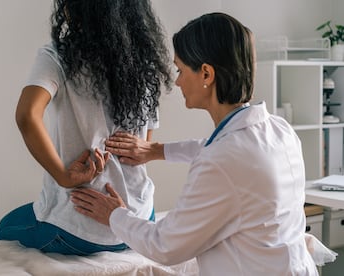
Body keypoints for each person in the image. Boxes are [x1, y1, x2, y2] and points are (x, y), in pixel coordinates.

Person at [70, 12, 320, 275]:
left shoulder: (223, 159)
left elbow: (164, 246)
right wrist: (156, 151)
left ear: (206, 74)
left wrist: (115, 214)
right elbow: (217, 147)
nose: (177, 81)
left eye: (180, 69)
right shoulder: (279, 130)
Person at [0, 0, 172, 255]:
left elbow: (27, 115)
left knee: (6, 227)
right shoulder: (145, 62)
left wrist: (63, 176)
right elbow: (142, 148)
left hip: (81, 230)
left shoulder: (59, 56)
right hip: (140, 219)